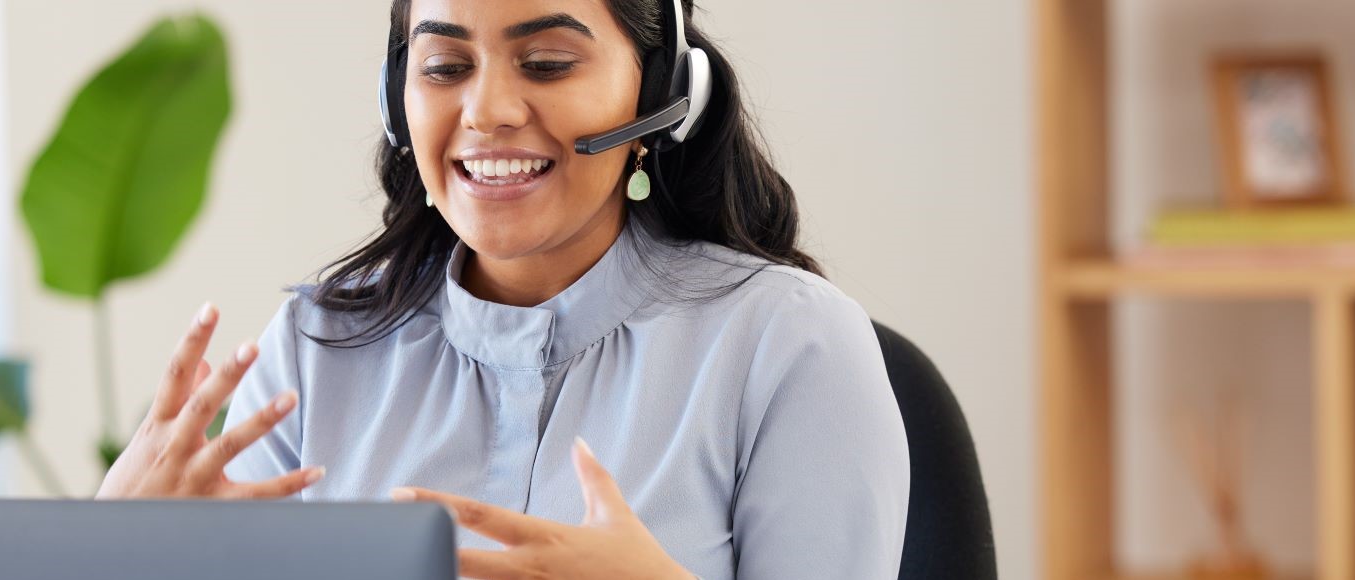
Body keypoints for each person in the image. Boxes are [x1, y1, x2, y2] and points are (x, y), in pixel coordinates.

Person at [94, 0, 910, 578]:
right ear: (396, 101)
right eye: (445, 66)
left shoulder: (790, 347)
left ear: (662, 92)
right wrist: (108, 557)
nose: (486, 112)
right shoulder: (315, 353)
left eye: (547, 62)